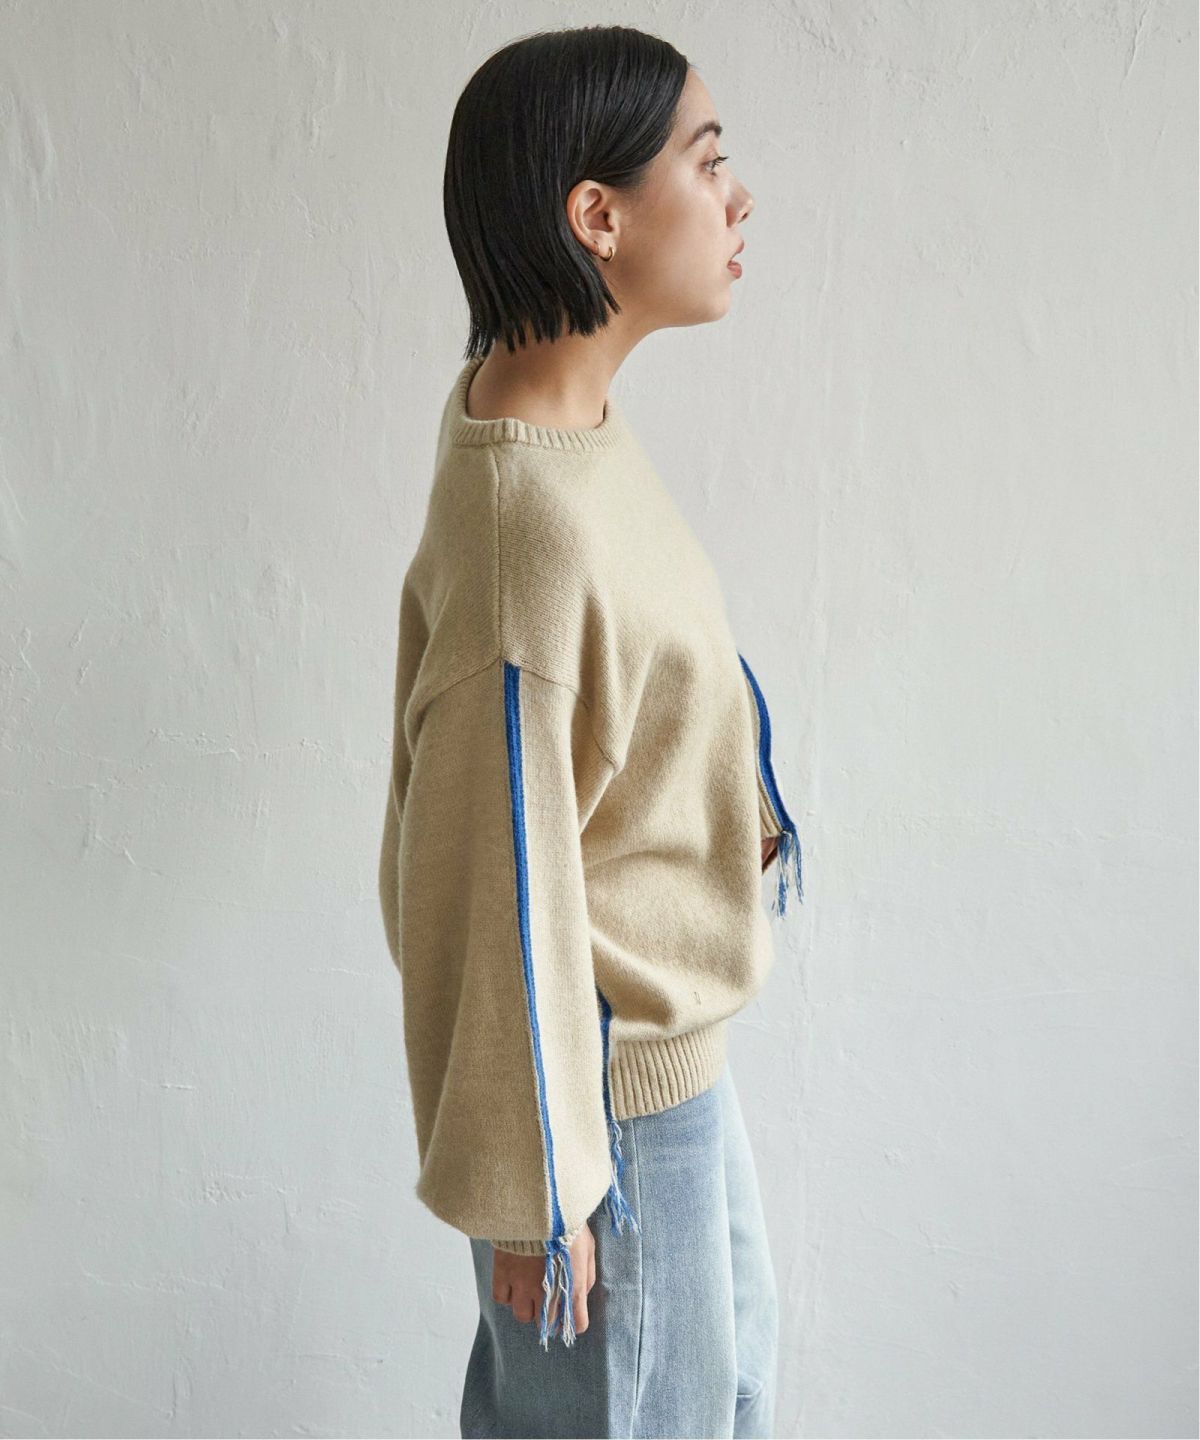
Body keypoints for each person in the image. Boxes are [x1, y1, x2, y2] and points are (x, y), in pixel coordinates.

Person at [377, 23, 804, 1438]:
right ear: (596, 217)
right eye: (708, 161)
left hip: (664, 1068)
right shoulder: (528, 529)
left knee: (723, 1401)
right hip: (599, 1120)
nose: (739, 197)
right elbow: (482, 872)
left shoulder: (569, 427)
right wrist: (533, 1194)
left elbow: (611, 707)